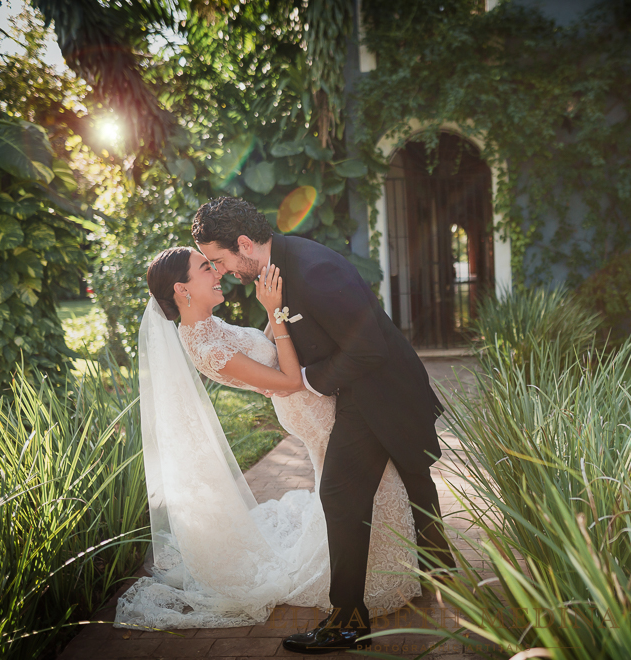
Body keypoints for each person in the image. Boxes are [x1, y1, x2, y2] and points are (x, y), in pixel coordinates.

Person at [192, 197, 455, 653]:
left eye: (219, 260)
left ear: (244, 244)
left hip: (379, 391)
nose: (221, 271)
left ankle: (348, 622)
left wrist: (308, 380)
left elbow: (368, 347)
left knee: (341, 492)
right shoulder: (279, 267)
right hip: (364, 388)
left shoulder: (313, 271)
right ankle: (438, 568)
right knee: (410, 473)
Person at [115, 247, 421, 631]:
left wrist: (278, 309)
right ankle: (373, 581)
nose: (217, 273)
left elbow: (265, 350)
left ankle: (382, 568)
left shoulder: (209, 324)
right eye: (206, 268)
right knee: (363, 483)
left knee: (358, 482)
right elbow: (289, 380)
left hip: (308, 400)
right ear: (182, 289)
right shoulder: (207, 347)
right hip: (304, 406)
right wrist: (275, 313)